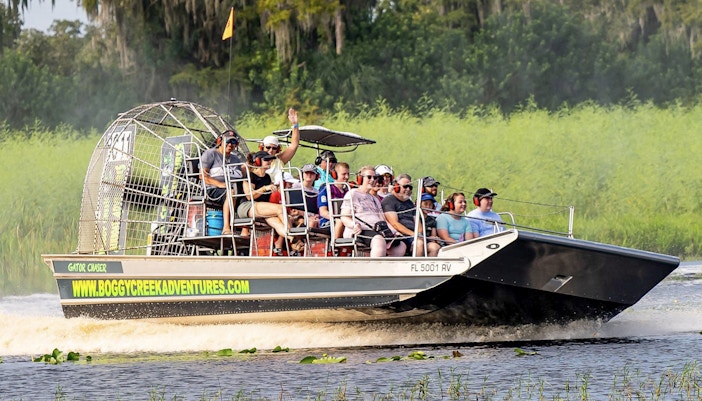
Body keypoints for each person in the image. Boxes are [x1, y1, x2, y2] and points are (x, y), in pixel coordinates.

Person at [238, 151, 298, 254]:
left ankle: (292, 238)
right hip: (248, 206)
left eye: (270, 159)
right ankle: (292, 234)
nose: (269, 161)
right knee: (280, 209)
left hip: (262, 208)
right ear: (257, 161)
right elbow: (249, 196)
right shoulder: (250, 175)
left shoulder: (267, 177)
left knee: (277, 222)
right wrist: (265, 188)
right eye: (266, 160)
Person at [340, 165, 406, 257]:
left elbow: (382, 219)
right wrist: (354, 225)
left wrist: (394, 232)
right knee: (379, 240)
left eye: (375, 177)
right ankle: (375, 269)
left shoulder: (374, 198)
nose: (372, 180)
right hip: (360, 230)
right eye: (369, 177)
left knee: (401, 246)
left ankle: (388, 268)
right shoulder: (352, 194)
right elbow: (344, 217)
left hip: (378, 230)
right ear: (360, 179)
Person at [381, 174, 440, 257]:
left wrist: (418, 234)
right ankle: (416, 267)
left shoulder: (409, 203)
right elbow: (394, 224)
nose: (408, 189)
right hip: (402, 236)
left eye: (410, 187)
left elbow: (418, 223)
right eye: (405, 187)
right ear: (396, 186)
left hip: (415, 236)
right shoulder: (388, 201)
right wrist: (413, 235)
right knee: (419, 243)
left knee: (435, 247)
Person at [201, 130, 243, 235]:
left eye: (233, 142)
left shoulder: (236, 159)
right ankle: (226, 228)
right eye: (228, 141)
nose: (230, 144)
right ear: (220, 141)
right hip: (213, 189)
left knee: (248, 195)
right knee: (231, 192)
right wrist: (220, 184)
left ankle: (246, 230)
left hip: (232, 189)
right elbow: (202, 176)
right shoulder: (211, 154)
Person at [261, 108, 301, 185]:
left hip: (280, 190)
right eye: (268, 147)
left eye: (274, 148)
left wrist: (295, 125)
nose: (271, 150)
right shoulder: (256, 160)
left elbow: (294, 145)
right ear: (262, 147)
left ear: (277, 149)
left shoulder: (279, 159)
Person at [317, 162, 350, 239]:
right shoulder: (326, 188)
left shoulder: (348, 191)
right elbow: (323, 212)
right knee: (340, 222)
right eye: (344, 174)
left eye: (348, 174)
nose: (347, 177)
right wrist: (337, 218)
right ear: (334, 174)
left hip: (345, 220)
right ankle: (335, 246)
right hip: (328, 222)